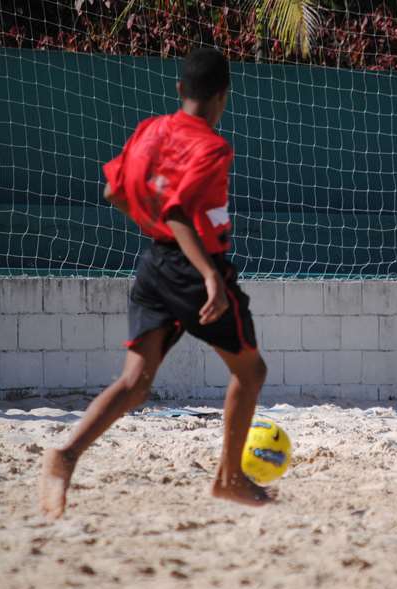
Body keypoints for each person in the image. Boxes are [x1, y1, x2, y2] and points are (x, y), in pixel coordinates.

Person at [38, 48, 271, 519]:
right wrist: (210, 276)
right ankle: (228, 478)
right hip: (195, 270)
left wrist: (158, 230)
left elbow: (113, 190)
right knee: (251, 373)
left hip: (155, 264)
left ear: (180, 89)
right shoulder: (212, 148)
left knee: (135, 383)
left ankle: (65, 456)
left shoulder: (151, 129)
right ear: (224, 96)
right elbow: (178, 211)